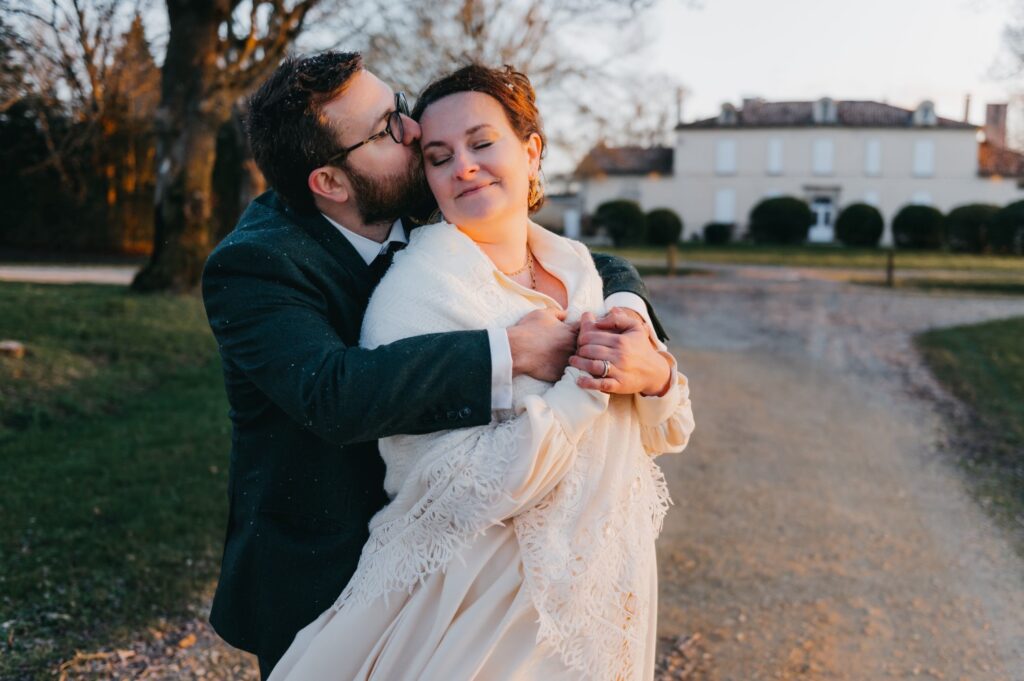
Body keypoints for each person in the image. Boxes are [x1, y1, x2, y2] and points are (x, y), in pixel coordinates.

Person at [201, 52, 672, 678]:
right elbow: (332, 394)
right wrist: (508, 351)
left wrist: (626, 310)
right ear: (331, 183)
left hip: (459, 560)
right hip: (326, 561)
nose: (414, 130)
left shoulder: (409, 192)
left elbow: (578, 258)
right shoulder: (256, 266)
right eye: (387, 129)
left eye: (397, 105)